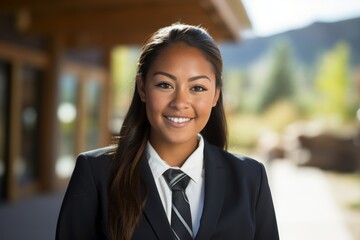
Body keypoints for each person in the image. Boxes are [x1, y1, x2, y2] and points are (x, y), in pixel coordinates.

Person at [56, 23, 279, 240]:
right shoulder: (97, 174)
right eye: (165, 85)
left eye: (197, 88)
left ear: (215, 95)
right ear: (142, 87)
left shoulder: (250, 178)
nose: (180, 102)